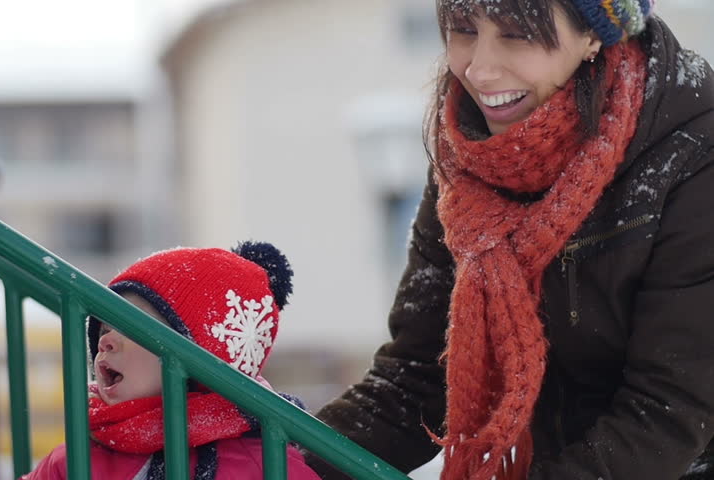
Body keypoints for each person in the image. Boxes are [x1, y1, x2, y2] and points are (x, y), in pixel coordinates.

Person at [306, 1, 714, 479]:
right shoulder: (472, 159)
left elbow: (668, 411)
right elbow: (416, 379)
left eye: (517, 35)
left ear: (593, 34)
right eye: (462, 30)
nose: (479, 68)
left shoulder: (693, 154)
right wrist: (283, 460)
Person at [23, 241, 321, 480]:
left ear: (200, 357)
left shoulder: (263, 463)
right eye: (105, 327)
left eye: (132, 327)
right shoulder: (78, 460)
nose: (105, 341)